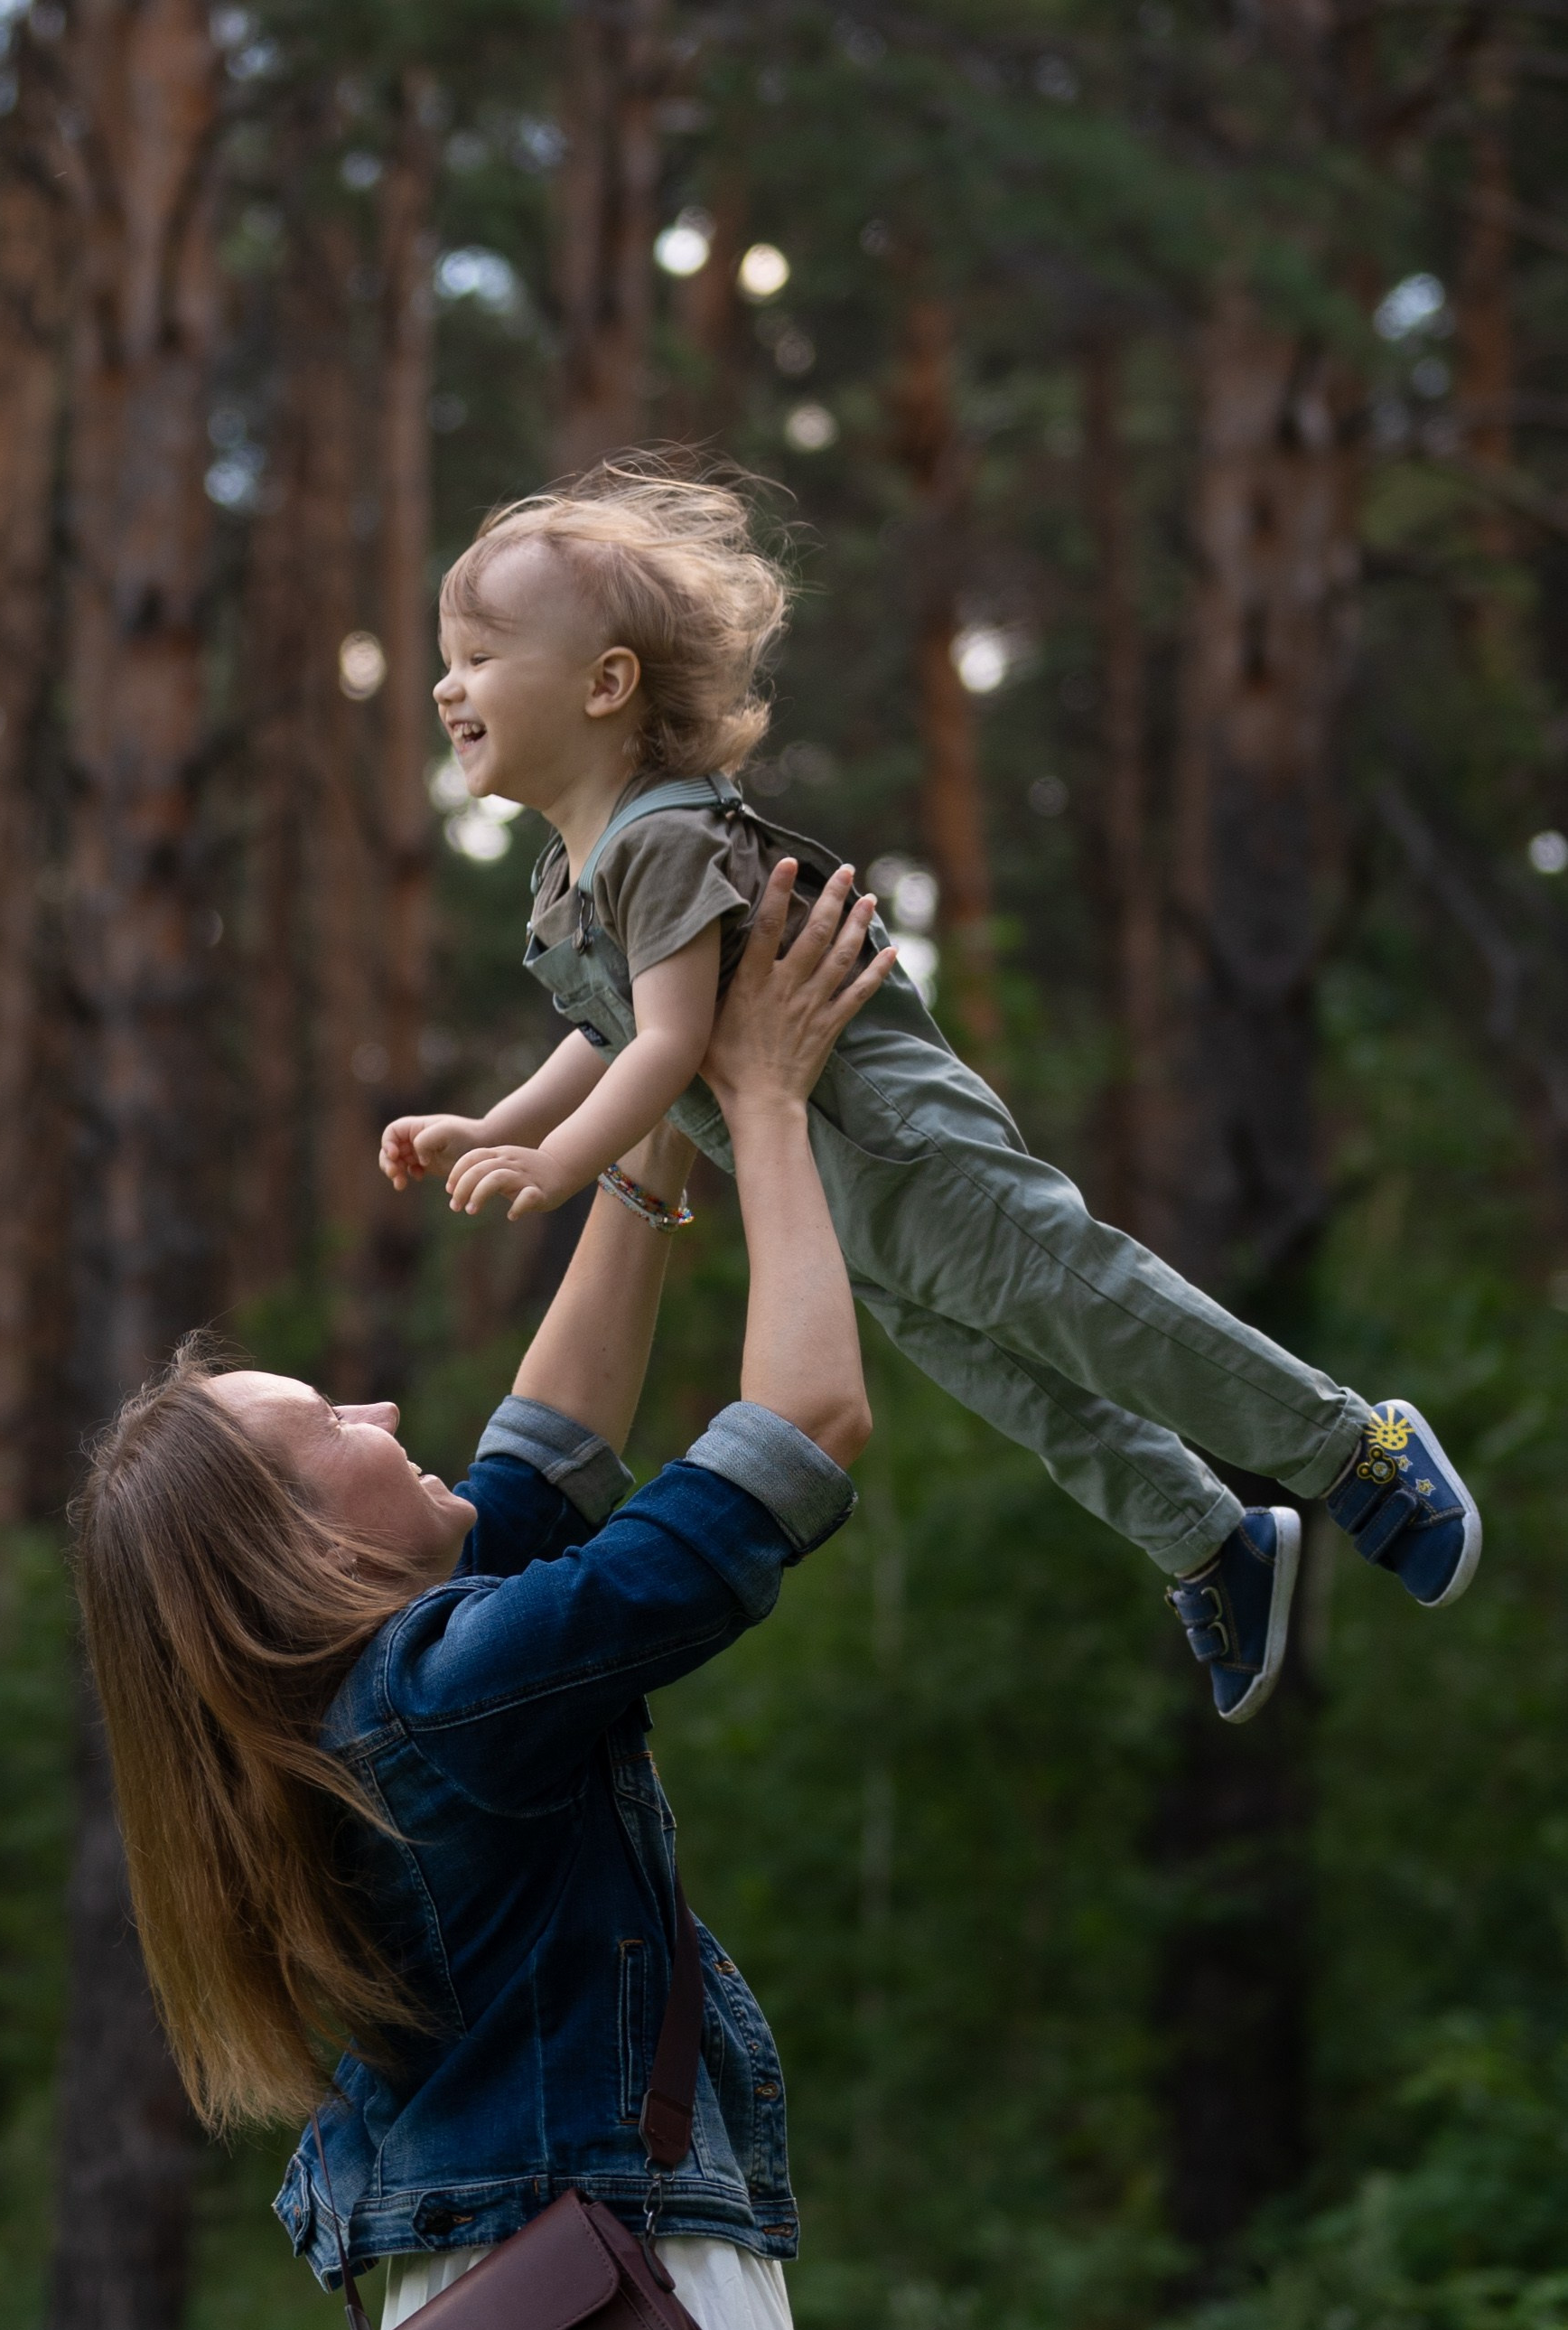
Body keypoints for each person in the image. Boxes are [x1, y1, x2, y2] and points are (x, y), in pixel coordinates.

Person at [71, 872, 901, 2330]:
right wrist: (760, 1101)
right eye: (333, 1430)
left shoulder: (347, 1713)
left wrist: (649, 1096)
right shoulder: (438, 1698)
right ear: (302, 1554)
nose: (383, 1413)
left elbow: (546, 1452)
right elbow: (803, 1431)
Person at [381, 458, 1481, 1726]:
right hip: (836, 1180)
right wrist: (496, 1122)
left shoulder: (661, 836)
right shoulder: (573, 875)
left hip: (898, 1142)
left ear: (603, 684)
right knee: (1010, 1379)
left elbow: (670, 1042)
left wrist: (561, 1163)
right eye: (442, 659)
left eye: (475, 654)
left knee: (1090, 1308)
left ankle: (1355, 1450)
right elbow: (608, 1028)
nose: (443, 685)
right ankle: (1207, 1538)